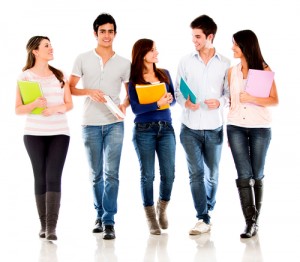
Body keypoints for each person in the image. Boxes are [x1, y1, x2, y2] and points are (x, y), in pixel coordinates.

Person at [69, 13, 131, 240]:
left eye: (110, 31)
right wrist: (89, 92)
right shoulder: (82, 58)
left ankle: (109, 220)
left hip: (114, 123)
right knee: (96, 174)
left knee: (111, 173)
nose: (107, 35)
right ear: (95, 33)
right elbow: (71, 88)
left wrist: (124, 104)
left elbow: (130, 92)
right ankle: (99, 214)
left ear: (115, 34)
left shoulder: (125, 62)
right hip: (90, 124)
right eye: (102, 31)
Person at [175, 14, 230, 235]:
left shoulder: (225, 63)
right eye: (192, 36)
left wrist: (220, 102)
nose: (194, 41)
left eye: (198, 37)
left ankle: (208, 208)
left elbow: (229, 94)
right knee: (196, 174)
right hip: (189, 128)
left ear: (210, 36)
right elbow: (178, 91)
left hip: (215, 127)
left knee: (213, 175)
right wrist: (185, 102)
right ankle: (202, 216)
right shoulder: (185, 61)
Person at [15, 36, 73, 241]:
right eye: (46, 46)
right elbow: (18, 109)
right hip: (34, 134)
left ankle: (51, 228)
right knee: (39, 177)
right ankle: (43, 225)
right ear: (35, 52)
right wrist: (34, 105)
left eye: (51, 44)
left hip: (59, 133)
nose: (51, 48)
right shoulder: (25, 77)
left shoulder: (60, 75)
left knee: (53, 177)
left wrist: (55, 109)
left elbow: (69, 104)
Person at [226, 29, 278, 238]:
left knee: (256, 174)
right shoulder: (232, 71)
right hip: (235, 126)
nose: (232, 48)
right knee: (243, 175)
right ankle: (250, 223)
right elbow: (229, 100)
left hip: (260, 128)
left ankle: (256, 220)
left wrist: (252, 98)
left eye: (235, 44)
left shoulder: (264, 69)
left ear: (246, 46)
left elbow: (274, 100)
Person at [128, 38, 176, 235]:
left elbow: (171, 100)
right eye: (153, 50)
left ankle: (161, 208)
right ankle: (150, 217)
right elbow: (136, 109)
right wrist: (157, 103)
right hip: (143, 130)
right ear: (143, 54)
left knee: (169, 174)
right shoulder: (134, 79)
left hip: (166, 128)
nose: (156, 53)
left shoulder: (164, 74)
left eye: (156, 49)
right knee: (148, 175)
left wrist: (169, 100)